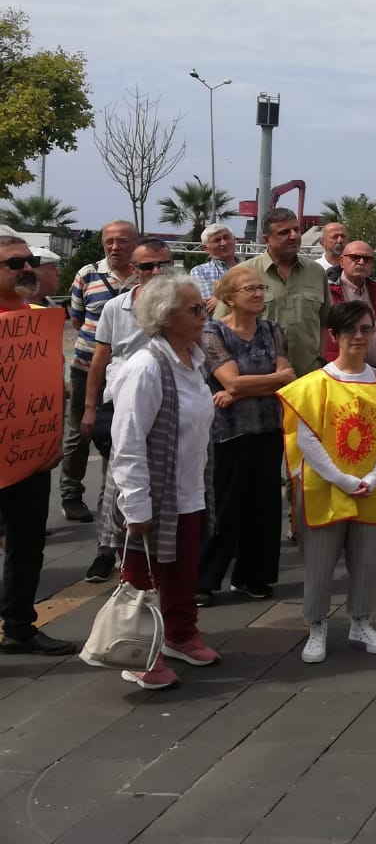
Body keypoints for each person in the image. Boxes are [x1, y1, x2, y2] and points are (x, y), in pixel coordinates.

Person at [101, 275, 220, 688]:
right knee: (143, 575)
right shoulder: (145, 367)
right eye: (194, 309)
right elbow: (127, 442)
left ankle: (180, 635)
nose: (204, 314)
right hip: (149, 492)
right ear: (166, 317)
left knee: (183, 569)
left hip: (187, 488)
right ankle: (138, 652)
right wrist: (137, 506)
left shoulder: (194, 360)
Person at [280, 301, 376, 663]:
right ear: (333, 335)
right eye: (350, 330)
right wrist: (340, 478)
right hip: (324, 486)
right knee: (319, 562)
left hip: (370, 486)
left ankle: (361, 621)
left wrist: (370, 477)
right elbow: (306, 439)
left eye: (366, 329)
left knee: (367, 559)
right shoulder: (314, 385)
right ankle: (317, 625)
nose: (358, 336)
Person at [0, 235, 78, 656]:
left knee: (28, 543)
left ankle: (19, 626)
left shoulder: (40, 317)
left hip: (29, 455)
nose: (27, 268)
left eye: (29, 261)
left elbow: (50, 386)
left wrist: (50, 439)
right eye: (15, 264)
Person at [197, 267, 294, 604]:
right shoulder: (212, 333)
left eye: (260, 287)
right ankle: (204, 580)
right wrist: (242, 388)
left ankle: (254, 577)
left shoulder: (272, 330)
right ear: (229, 298)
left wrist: (238, 391)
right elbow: (231, 380)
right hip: (228, 433)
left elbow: (288, 375)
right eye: (249, 288)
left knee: (264, 507)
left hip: (268, 428)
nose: (258, 294)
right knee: (223, 505)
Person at [81, 238, 176, 582]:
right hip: (121, 405)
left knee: (164, 479)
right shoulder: (116, 308)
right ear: (133, 271)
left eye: (163, 263)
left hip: (169, 407)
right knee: (115, 480)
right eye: (148, 266)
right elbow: (99, 360)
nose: (156, 272)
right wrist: (90, 407)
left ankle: (156, 555)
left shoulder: (182, 306)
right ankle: (106, 552)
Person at [61, 219, 137, 523]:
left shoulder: (143, 274)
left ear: (135, 242)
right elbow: (77, 320)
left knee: (127, 433)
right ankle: (70, 495)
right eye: (110, 241)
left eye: (122, 240)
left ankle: (116, 499)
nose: (115, 246)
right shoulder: (87, 274)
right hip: (86, 367)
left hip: (130, 372)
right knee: (79, 430)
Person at [239, 208, 330, 378]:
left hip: (308, 378)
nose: (294, 236)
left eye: (296, 229)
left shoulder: (316, 272)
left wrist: (321, 360)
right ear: (267, 239)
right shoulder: (242, 274)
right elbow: (220, 328)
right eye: (284, 232)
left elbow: (325, 322)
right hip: (260, 381)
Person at [324, 239, 376, 373]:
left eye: (367, 259)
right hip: (340, 373)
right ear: (342, 261)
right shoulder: (327, 289)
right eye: (355, 258)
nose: (361, 262)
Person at [190, 222, 238, 310]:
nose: (223, 243)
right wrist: (238, 298)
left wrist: (220, 301)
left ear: (235, 240)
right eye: (217, 240)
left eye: (227, 238)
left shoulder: (249, 268)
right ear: (205, 248)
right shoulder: (200, 271)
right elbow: (209, 305)